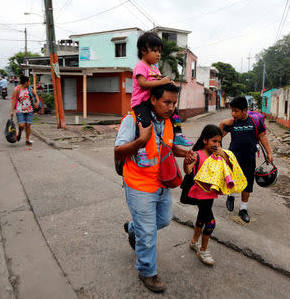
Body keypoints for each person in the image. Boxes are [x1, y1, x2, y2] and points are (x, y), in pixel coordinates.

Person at [115, 83, 196, 293]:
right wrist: (141, 140)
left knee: (163, 220)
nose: (171, 107)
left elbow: (166, 147)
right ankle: (147, 271)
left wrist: (184, 153)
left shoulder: (168, 122)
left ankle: (133, 228)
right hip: (139, 186)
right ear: (153, 100)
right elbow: (118, 151)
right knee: (148, 233)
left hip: (161, 185)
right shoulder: (132, 120)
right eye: (166, 102)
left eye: (174, 103)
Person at [132, 32, 193, 168]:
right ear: (143, 51)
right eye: (154, 51)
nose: (158, 54)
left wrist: (168, 82)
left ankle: (178, 134)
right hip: (140, 103)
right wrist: (161, 82)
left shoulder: (154, 68)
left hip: (150, 101)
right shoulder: (140, 66)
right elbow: (143, 84)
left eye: (159, 51)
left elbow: (161, 84)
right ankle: (141, 151)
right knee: (145, 126)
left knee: (174, 111)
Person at [219, 96, 273, 223]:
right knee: (232, 179)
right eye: (231, 111)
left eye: (236, 111)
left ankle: (243, 209)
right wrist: (222, 124)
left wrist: (269, 153)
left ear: (245, 110)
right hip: (233, 157)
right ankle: (230, 197)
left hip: (249, 157)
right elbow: (219, 136)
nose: (233, 114)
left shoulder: (255, 122)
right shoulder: (232, 123)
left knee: (247, 184)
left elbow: (262, 137)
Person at [184, 125, 230, 266]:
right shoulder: (198, 155)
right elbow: (188, 171)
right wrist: (187, 164)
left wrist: (223, 155)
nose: (217, 145)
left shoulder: (216, 156)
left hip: (210, 194)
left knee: (201, 219)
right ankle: (203, 250)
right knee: (210, 222)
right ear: (205, 140)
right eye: (214, 141)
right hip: (200, 194)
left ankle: (193, 242)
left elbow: (228, 167)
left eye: (219, 142)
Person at [9, 75, 39, 146]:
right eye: (29, 81)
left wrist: (37, 102)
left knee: (28, 125)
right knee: (22, 125)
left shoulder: (29, 89)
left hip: (29, 110)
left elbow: (36, 94)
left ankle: (27, 140)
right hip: (20, 110)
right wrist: (12, 111)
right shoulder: (17, 89)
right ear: (26, 82)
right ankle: (19, 133)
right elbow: (13, 100)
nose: (29, 83)